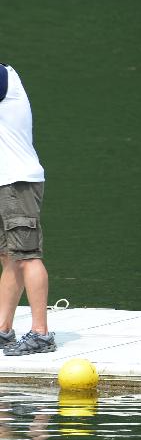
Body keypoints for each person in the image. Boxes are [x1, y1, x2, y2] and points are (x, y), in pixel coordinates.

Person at [0, 64, 55, 356]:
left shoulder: (3, 75)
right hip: (3, 183)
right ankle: (3, 331)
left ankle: (41, 334)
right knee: (9, 257)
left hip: (18, 182)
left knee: (27, 257)